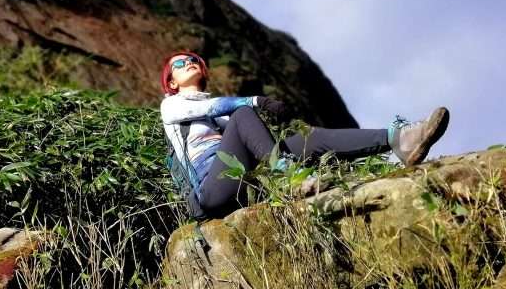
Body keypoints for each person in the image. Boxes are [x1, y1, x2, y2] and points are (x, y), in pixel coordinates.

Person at [160, 51, 450, 220]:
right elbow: (225, 107)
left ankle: (399, 140)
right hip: (213, 193)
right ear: (171, 81)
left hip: (242, 182)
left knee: (311, 140)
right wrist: (255, 102)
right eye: (180, 64)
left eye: (193, 60)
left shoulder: (221, 116)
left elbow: (240, 130)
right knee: (243, 115)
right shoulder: (171, 106)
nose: (189, 63)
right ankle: (289, 179)